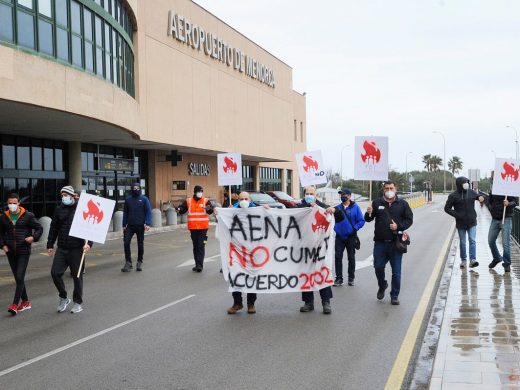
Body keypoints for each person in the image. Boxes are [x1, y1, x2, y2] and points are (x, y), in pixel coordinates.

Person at [365, 181, 413, 305]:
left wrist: (398, 226)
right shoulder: (377, 203)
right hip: (380, 243)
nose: (389, 190)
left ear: (395, 189)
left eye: (391, 188)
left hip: (395, 243)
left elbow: (409, 220)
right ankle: (382, 285)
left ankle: (394, 295)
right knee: (378, 267)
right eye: (387, 188)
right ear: (383, 189)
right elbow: (369, 219)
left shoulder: (402, 204)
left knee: (396, 272)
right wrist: (368, 212)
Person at [47, 186, 92, 314]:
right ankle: (63, 297)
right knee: (55, 273)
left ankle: (77, 302)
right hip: (62, 247)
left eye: (66, 195)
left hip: (76, 248)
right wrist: (50, 245)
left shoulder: (81, 209)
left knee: (77, 276)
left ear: (72, 196)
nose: (64, 198)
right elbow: (53, 228)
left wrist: (89, 244)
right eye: (62, 195)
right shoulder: (58, 209)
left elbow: (90, 227)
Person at [297, 185, 340, 314]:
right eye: (307, 193)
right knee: (307, 275)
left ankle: (326, 302)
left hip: (321, 249)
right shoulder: (299, 207)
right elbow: (287, 216)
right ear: (304, 194)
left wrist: (334, 210)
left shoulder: (323, 207)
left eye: (312, 193)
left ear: (316, 195)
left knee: (323, 273)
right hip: (305, 248)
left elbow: (340, 217)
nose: (309, 195)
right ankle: (308, 302)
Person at [0, 193, 43, 316]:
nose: (12, 205)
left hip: (23, 250)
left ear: (19, 203)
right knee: (18, 278)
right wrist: (3, 245)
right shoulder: (3, 217)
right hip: (10, 252)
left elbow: (39, 228)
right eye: (10, 203)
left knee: (19, 277)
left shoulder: (28, 216)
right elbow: (0, 233)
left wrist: (33, 237)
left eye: (14, 203)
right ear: (7, 204)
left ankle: (14, 304)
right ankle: (26, 302)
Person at [226, 191, 260, 315]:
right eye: (241, 199)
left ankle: (251, 303)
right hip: (236, 251)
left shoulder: (257, 211)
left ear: (250, 200)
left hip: (252, 251)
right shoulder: (232, 211)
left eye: (246, 198)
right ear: (238, 200)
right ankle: (237, 303)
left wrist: (267, 210)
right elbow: (222, 225)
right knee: (235, 276)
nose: (244, 201)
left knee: (251, 276)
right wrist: (219, 213)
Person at [444, 177, 485, 269]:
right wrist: (457, 215)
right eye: (464, 183)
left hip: (472, 221)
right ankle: (463, 260)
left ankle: (473, 260)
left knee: (472, 240)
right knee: (462, 242)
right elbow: (447, 208)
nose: (466, 184)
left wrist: (481, 198)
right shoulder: (453, 196)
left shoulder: (471, 192)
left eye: (467, 182)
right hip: (461, 223)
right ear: (459, 184)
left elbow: (478, 197)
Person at [177, 185, 214, 272]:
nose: (200, 193)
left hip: (203, 227)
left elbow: (210, 211)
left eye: (201, 191)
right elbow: (182, 209)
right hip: (193, 228)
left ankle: (199, 265)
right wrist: (179, 209)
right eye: (199, 192)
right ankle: (197, 264)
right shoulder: (188, 201)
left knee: (200, 246)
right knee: (195, 246)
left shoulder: (206, 201)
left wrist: (209, 209)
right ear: (195, 192)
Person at [333, 188, 365, 286]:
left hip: (351, 237)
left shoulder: (355, 207)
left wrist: (354, 228)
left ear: (349, 196)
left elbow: (361, 220)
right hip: (339, 237)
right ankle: (339, 278)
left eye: (344, 194)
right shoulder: (337, 208)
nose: (342, 196)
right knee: (338, 257)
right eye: (341, 194)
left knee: (351, 258)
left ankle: (351, 278)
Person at [121, 182, 152, 272]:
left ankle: (139, 261)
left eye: (138, 188)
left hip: (140, 225)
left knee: (140, 244)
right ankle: (128, 262)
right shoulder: (128, 200)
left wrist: (148, 223)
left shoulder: (144, 199)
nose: (136, 190)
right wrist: (124, 224)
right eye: (134, 188)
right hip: (130, 226)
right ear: (131, 189)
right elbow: (125, 213)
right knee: (126, 243)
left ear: (140, 189)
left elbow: (148, 212)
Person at [487, 190, 518, 273]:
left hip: (506, 218)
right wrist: (491, 209)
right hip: (495, 219)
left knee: (505, 243)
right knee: (490, 240)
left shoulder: (508, 188)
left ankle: (507, 263)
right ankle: (497, 257)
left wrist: (508, 204)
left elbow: (515, 202)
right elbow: (489, 201)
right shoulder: (493, 189)